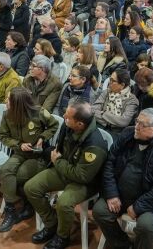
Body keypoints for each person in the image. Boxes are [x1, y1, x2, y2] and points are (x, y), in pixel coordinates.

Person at [24, 99, 108, 249]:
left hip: (85, 182)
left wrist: (57, 162)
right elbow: (59, 149)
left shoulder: (95, 145)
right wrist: (58, 161)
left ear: (80, 124)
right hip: (65, 170)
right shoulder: (68, 126)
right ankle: (51, 223)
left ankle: (62, 237)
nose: (63, 117)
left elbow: (82, 176)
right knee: (31, 187)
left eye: (68, 117)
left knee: (63, 203)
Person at [94, 108, 153, 249]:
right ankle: (122, 244)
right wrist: (112, 193)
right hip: (121, 194)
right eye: (137, 121)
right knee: (100, 211)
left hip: (152, 202)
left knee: (145, 226)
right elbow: (109, 162)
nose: (136, 127)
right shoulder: (127, 134)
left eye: (142, 124)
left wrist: (138, 207)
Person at [0, 87, 60, 233]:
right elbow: (3, 136)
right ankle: (11, 210)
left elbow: (54, 125)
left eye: (9, 99)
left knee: (19, 176)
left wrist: (42, 137)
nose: (6, 101)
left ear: (18, 103)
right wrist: (18, 144)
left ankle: (28, 205)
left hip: (38, 156)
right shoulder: (7, 115)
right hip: (19, 153)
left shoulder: (39, 112)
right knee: (5, 170)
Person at [91, 68, 139, 136]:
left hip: (116, 133)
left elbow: (124, 121)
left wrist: (103, 113)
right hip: (98, 125)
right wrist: (111, 121)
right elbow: (93, 110)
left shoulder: (132, 100)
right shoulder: (107, 92)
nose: (109, 82)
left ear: (122, 85)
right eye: (110, 79)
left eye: (112, 81)